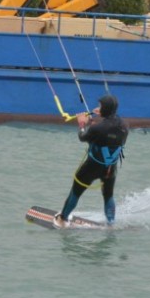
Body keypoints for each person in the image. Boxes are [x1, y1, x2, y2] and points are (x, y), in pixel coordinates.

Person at [54, 94, 128, 228]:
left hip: (91, 168)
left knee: (75, 192)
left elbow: (83, 137)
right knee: (108, 195)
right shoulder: (124, 126)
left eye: (100, 106)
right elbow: (109, 132)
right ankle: (111, 223)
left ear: (105, 109)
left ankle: (63, 219)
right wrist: (103, 115)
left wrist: (82, 124)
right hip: (110, 168)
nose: (98, 108)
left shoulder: (97, 128)